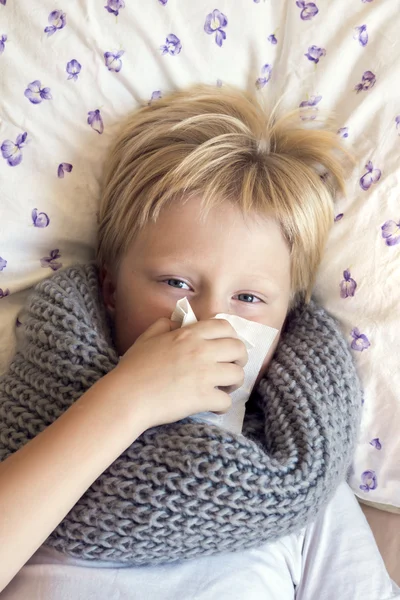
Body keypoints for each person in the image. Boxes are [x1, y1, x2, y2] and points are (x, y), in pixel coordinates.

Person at [0, 84, 399, 599]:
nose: (210, 320)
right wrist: (129, 397)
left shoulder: (301, 485)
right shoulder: (28, 435)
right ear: (111, 290)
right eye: (177, 284)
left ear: (284, 324)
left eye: (250, 298)